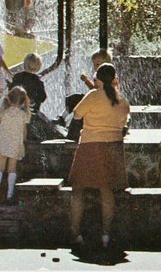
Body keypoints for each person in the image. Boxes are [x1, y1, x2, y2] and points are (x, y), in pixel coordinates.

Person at [68, 63, 130, 250]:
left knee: (78, 190)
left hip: (90, 145)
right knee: (107, 191)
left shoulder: (93, 96)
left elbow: (77, 114)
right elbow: (125, 117)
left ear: (99, 79)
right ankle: (106, 234)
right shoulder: (120, 98)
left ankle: (75, 233)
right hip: (113, 147)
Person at [0, 86, 32, 205]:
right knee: (12, 169)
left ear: (9, 99)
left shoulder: (4, 112)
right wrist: (23, 140)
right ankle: (10, 194)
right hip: (15, 143)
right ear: (24, 101)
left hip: (3, 142)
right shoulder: (23, 115)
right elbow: (24, 131)